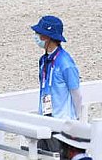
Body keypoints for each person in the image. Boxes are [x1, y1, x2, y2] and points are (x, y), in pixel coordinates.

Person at [31, 15, 82, 155]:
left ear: (47, 37)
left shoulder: (65, 63)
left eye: (39, 34)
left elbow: (76, 93)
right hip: (45, 121)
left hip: (61, 124)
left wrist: (76, 118)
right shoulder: (43, 60)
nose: (36, 37)